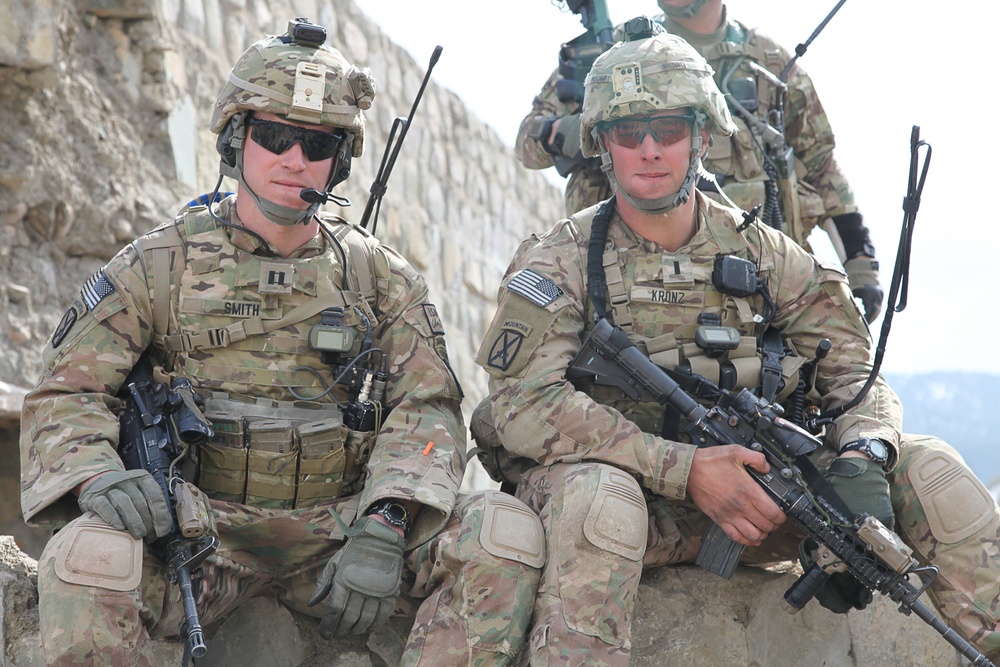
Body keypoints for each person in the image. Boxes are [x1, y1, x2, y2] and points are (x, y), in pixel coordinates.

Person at [19, 19, 543, 666]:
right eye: (274, 135)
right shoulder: (156, 266)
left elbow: (430, 411)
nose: (295, 158)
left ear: (341, 160)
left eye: (317, 143)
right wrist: (98, 472)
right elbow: (69, 391)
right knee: (86, 554)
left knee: (503, 532)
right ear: (237, 138)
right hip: (196, 531)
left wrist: (387, 520)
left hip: (340, 533)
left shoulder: (379, 278)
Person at [477, 30, 1000, 665]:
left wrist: (865, 453)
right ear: (600, 144)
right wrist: (684, 469)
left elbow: (854, 370)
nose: (649, 149)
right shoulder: (557, 259)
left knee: (937, 475)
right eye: (628, 131)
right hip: (635, 500)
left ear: (701, 136)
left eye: (668, 128)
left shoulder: (764, 253)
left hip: (766, 497)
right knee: (600, 504)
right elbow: (520, 404)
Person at [514, 0, 884, 324]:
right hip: (627, 275)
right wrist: (596, 129)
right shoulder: (620, 59)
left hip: (761, 279)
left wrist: (859, 262)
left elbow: (822, 165)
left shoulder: (770, 65)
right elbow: (528, 142)